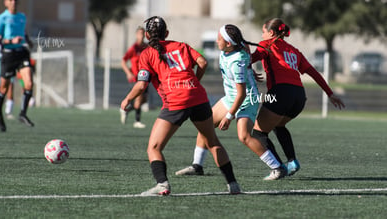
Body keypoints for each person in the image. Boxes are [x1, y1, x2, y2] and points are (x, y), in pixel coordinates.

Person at [120, 16, 241, 196]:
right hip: (198, 97)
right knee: (212, 141)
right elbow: (203, 62)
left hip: (176, 101)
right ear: (167, 33)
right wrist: (194, 82)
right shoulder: (181, 46)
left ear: (146, 35)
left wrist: (127, 100)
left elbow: (141, 85)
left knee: (154, 148)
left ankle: (162, 185)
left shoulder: (146, 54)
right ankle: (233, 184)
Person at [175, 24, 286, 180]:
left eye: (219, 38)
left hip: (247, 99)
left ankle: (278, 168)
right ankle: (197, 166)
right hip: (230, 98)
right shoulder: (234, 48)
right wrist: (250, 71)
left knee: (244, 136)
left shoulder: (236, 62)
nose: (216, 40)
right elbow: (245, 50)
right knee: (205, 126)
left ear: (228, 43)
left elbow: (241, 93)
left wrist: (229, 116)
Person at [248, 18, 345, 178]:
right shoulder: (293, 50)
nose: (262, 34)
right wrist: (330, 93)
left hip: (281, 92)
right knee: (278, 126)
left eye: (263, 31)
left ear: (271, 33)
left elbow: (248, 60)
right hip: (299, 96)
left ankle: (278, 168)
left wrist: (247, 63)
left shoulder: (266, 44)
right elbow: (313, 72)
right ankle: (292, 162)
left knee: (258, 133)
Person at [0, 0, 35, 132]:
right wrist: (10, 40)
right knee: (3, 88)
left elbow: (23, 32)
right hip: (8, 55)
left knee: (28, 83)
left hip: (22, 53)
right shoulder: (1, 18)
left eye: (15, 0)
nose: (13, 2)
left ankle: (22, 113)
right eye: (10, 0)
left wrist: (28, 40)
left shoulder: (22, 17)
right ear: (5, 2)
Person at [120, 26, 148, 128]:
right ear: (136, 35)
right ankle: (137, 121)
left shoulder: (146, 47)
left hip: (146, 77)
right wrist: (128, 72)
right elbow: (123, 61)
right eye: (140, 33)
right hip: (136, 78)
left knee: (144, 99)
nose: (141, 35)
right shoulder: (133, 48)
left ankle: (126, 110)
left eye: (143, 33)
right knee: (139, 98)